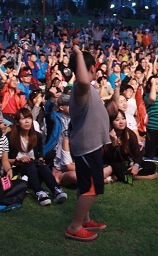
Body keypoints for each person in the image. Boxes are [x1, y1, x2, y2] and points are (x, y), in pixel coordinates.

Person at [65, 46, 112, 242]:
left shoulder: (86, 88)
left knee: (85, 184)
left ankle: (85, 220)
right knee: (92, 187)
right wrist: (77, 53)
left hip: (90, 145)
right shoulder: (81, 87)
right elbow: (83, 78)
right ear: (91, 68)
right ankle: (75, 226)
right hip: (87, 146)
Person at [7, 107, 68, 206]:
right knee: (30, 165)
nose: (27, 121)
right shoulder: (10, 137)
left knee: (42, 166)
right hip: (17, 168)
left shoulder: (37, 136)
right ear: (17, 122)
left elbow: (39, 155)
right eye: (23, 119)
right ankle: (39, 192)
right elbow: (5, 160)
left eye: (29, 118)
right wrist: (19, 159)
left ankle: (56, 190)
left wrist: (40, 160)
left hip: (34, 168)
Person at [103, 110, 158, 182]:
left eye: (123, 118)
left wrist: (136, 165)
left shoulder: (130, 134)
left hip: (128, 163)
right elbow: (108, 158)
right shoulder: (107, 135)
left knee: (151, 165)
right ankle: (141, 177)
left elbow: (138, 154)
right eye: (117, 120)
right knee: (118, 167)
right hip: (113, 164)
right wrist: (113, 143)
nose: (121, 122)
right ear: (111, 122)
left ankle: (118, 176)